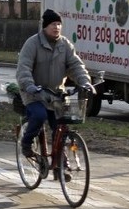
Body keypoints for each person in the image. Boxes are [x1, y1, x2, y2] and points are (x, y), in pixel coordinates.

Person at [16, 9, 94, 181]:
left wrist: (85, 82)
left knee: (62, 127)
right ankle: (26, 144)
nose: (57, 27)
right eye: (53, 24)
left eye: (59, 24)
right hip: (34, 94)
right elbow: (24, 68)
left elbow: (76, 66)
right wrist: (29, 85)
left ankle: (60, 165)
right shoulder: (32, 44)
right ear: (45, 26)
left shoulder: (65, 45)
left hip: (56, 95)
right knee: (39, 115)